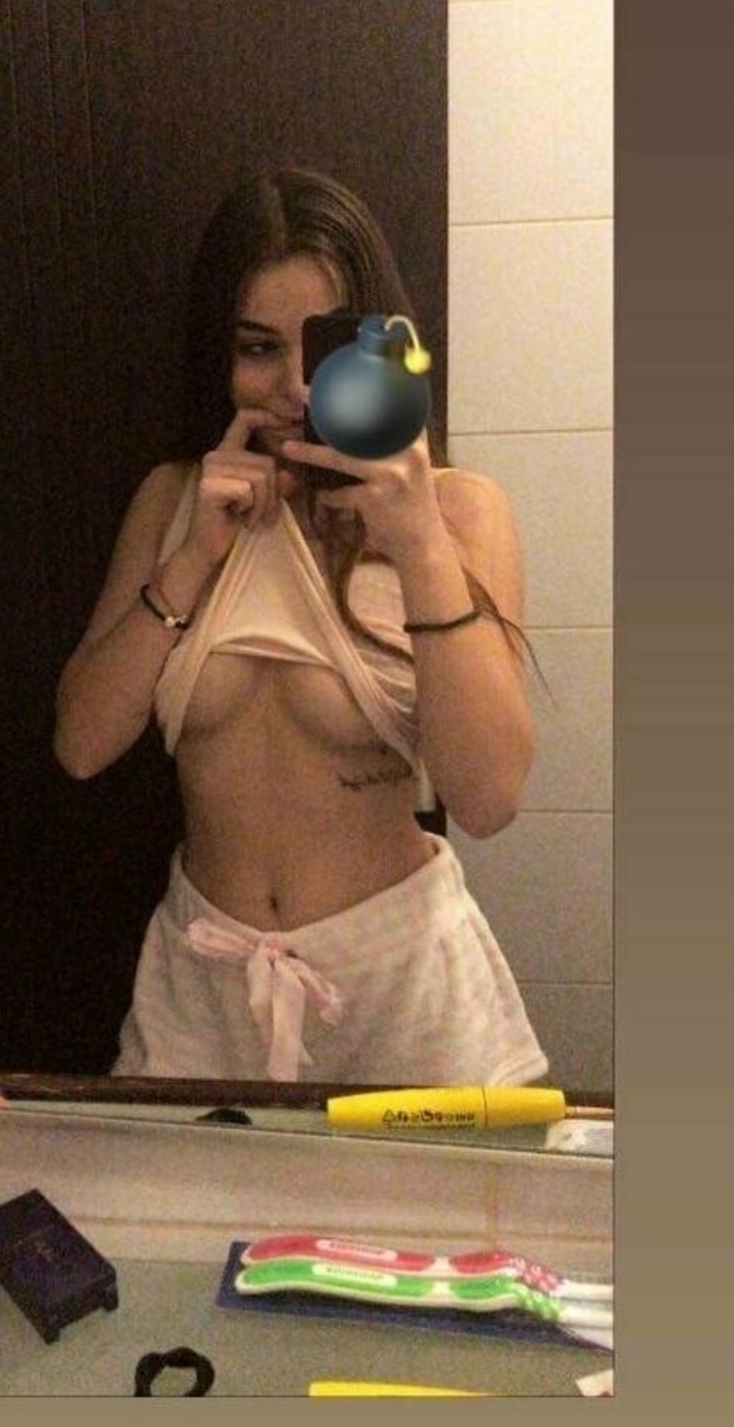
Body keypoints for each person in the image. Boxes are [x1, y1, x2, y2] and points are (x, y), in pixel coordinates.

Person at [54, 168, 548, 1085]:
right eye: (257, 348)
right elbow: (81, 745)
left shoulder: (461, 512)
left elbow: (487, 799)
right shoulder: (172, 499)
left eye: (325, 348)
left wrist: (417, 543)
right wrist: (193, 557)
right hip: (205, 987)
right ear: (220, 356)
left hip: (404, 991)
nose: (294, 387)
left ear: (385, 349)